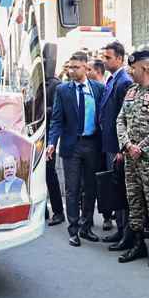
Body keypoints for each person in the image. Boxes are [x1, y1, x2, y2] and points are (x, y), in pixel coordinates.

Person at [116, 49, 149, 267]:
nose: (130, 71)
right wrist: (127, 145)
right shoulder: (131, 92)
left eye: (134, 67)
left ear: (145, 68)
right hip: (131, 158)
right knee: (134, 200)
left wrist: (142, 147)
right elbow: (120, 120)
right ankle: (138, 243)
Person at [47, 52, 105, 247]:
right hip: (72, 145)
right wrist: (52, 142)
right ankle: (73, 230)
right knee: (72, 189)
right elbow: (56, 120)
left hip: (92, 144)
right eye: (69, 67)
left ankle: (86, 226)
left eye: (76, 67)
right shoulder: (63, 91)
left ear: (86, 68)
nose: (71, 71)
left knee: (91, 188)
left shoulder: (98, 89)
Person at [99, 41, 133, 243]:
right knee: (115, 188)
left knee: (122, 190)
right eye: (103, 57)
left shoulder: (124, 81)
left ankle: (126, 233)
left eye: (108, 57)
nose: (104, 61)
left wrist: (122, 147)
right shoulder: (112, 79)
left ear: (120, 58)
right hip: (109, 143)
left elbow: (125, 118)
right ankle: (120, 229)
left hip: (118, 146)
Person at [44, 57, 64, 226]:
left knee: (50, 173)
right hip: (36, 132)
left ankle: (58, 211)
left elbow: (57, 112)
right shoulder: (37, 83)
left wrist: (40, 110)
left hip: (49, 134)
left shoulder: (55, 85)